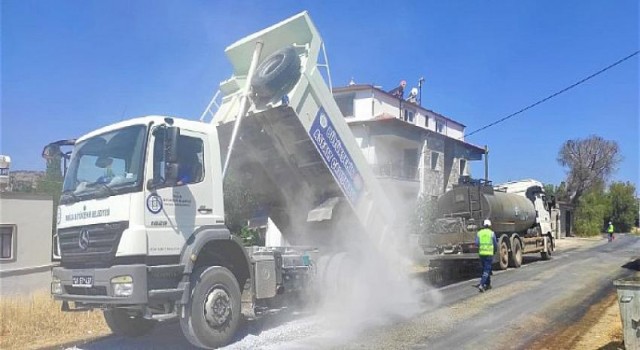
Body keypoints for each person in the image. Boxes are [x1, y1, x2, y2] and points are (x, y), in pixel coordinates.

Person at [476, 219, 498, 292]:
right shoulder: (491, 233)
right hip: (489, 253)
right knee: (487, 269)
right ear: (490, 225)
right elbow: (495, 243)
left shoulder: (479, 233)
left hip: (482, 253)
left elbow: (477, 243)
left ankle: (488, 284)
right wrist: (495, 250)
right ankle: (482, 284)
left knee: (485, 269)